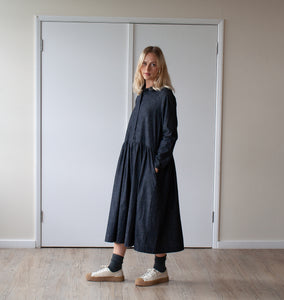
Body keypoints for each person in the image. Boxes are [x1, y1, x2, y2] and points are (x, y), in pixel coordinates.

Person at [86, 46, 184, 287]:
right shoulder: (142, 95)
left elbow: (170, 134)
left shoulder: (166, 96)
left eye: (152, 64)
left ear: (160, 67)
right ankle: (114, 267)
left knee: (156, 212)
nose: (147, 69)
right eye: (144, 64)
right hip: (131, 163)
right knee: (124, 208)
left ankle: (160, 269)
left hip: (153, 166)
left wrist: (157, 166)